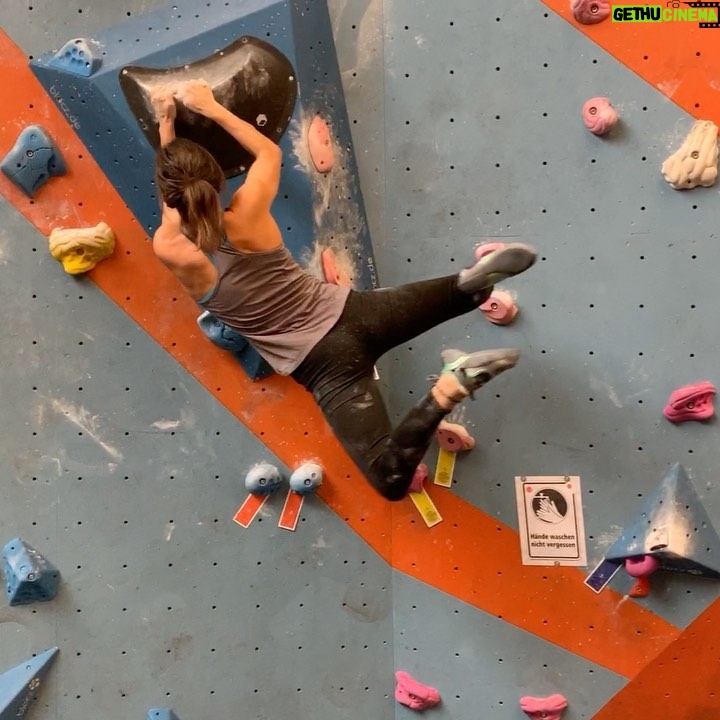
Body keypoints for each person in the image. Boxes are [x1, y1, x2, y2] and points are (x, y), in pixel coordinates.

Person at [150, 79, 536, 501]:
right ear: (217, 180)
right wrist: (207, 107)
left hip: (325, 366)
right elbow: (268, 152)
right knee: (455, 295)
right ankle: (471, 283)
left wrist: (165, 127)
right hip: (355, 312)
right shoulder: (248, 211)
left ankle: (451, 388)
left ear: (172, 199)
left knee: (389, 479)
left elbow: (172, 208)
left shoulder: (173, 248)